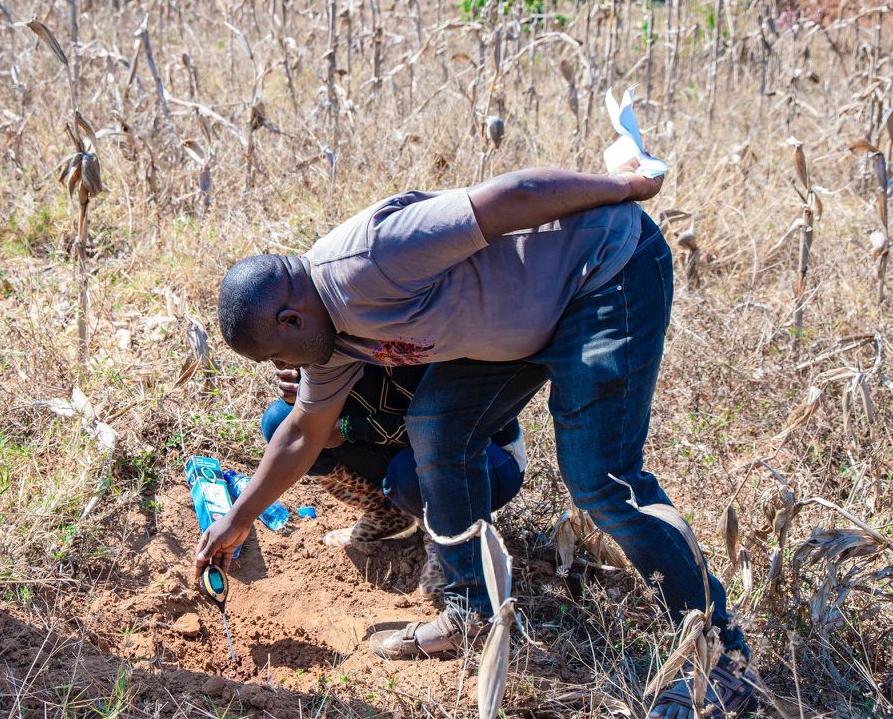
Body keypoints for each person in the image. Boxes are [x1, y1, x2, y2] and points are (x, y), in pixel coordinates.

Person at [197, 165, 757, 718]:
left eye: (275, 353)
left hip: (603, 275)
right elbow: (301, 431)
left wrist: (625, 187)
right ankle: (470, 608)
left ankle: (723, 659)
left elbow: (510, 196)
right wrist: (240, 516)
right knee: (437, 426)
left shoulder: (369, 259)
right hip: (524, 324)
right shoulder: (330, 335)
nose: (280, 368)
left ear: (292, 319)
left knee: (601, 480)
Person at [260, 365, 526, 601]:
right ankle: (388, 513)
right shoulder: (320, 350)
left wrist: (349, 428)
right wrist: (308, 396)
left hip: (486, 452)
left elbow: (438, 426)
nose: (282, 361)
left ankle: (444, 538)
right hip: (406, 441)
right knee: (282, 423)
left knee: (408, 474)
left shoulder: (391, 336)